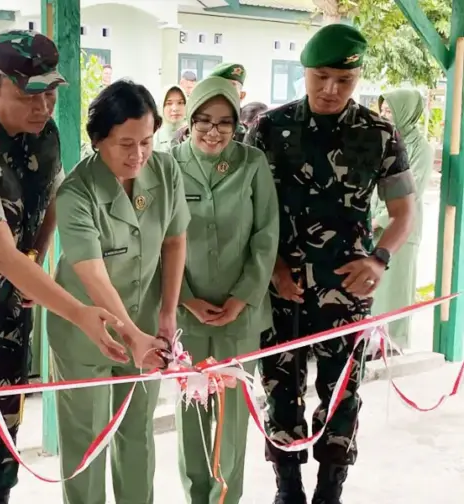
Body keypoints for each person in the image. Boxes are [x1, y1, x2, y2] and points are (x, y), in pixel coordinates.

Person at [0, 30, 163, 504]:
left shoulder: (46, 135)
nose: (42, 107)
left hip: (5, 314)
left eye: (50, 93)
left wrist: (37, 256)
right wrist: (78, 311)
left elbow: (49, 201)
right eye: (26, 96)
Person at [245, 23, 415, 504]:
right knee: (280, 385)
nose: (330, 90)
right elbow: (250, 210)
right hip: (283, 285)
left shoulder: (379, 133)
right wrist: (273, 266)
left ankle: (329, 490)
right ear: (305, 73)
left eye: (343, 80)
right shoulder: (268, 129)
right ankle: (288, 488)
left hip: (347, 287)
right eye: (320, 77)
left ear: (358, 76)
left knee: (343, 390)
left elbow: (404, 213)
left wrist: (380, 260)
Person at [48, 80, 188, 504]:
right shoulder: (76, 193)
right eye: (125, 143)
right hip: (85, 331)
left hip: (145, 320)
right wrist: (130, 335)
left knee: (137, 430)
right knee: (87, 438)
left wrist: (166, 314)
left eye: (146, 141)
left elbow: (175, 239)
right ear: (97, 141)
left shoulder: (164, 170)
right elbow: (93, 275)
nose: (138, 155)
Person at [172, 76, 279, 504]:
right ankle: (196, 497)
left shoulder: (252, 163)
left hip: (241, 315)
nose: (213, 131)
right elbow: (158, 240)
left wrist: (243, 297)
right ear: (189, 120)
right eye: (203, 120)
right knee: (192, 416)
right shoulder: (166, 165)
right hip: (185, 316)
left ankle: (225, 498)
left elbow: (266, 235)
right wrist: (183, 297)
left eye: (224, 122)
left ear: (238, 122)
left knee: (232, 422)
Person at [372, 89, 433, 350]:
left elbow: (412, 189)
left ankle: (394, 344)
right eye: (383, 111)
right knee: (375, 288)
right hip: (374, 225)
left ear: (405, 113)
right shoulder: (384, 140)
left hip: (403, 229)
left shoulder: (422, 148)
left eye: (390, 112)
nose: (385, 116)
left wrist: (381, 219)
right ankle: (374, 344)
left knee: (397, 289)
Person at [175, 63, 248, 145]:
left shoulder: (247, 137)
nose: (224, 95)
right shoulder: (183, 136)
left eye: (231, 88)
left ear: (241, 96)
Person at [153, 84, 187, 151]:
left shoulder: (193, 136)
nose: (175, 109)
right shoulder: (154, 139)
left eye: (180, 103)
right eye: (169, 103)